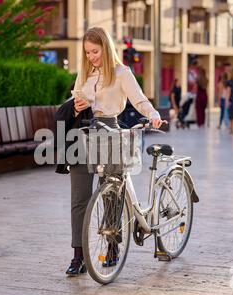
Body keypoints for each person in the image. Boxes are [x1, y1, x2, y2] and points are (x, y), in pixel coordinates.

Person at [63, 27, 164, 276]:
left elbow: (138, 99)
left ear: (106, 49)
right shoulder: (85, 73)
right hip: (83, 135)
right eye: (87, 52)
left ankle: (112, 246)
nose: (91, 57)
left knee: (111, 195)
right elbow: (75, 103)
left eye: (95, 51)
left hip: (110, 133)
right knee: (79, 199)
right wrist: (77, 107)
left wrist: (153, 114)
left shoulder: (121, 73)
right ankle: (79, 256)